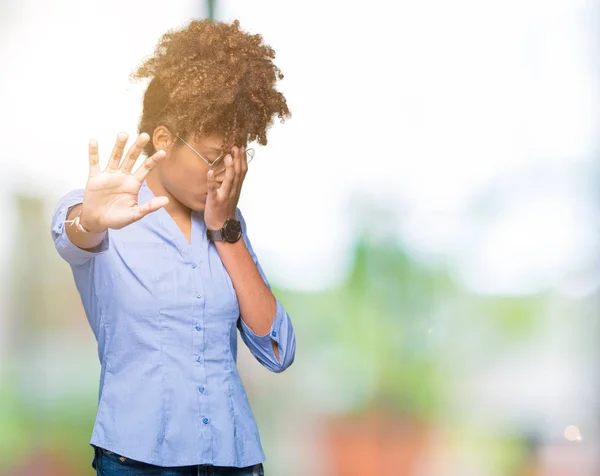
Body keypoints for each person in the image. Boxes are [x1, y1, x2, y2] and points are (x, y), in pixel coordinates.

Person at [50, 19, 295, 476]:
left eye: (235, 161)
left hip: (234, 460)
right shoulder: (105, 212)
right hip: (139, 461)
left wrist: (226, 230)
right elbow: (72, 236)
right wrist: (89, 218)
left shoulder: (227, 227)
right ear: (164, 140)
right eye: (213, 158)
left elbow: (277, 350)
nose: (224, 176)